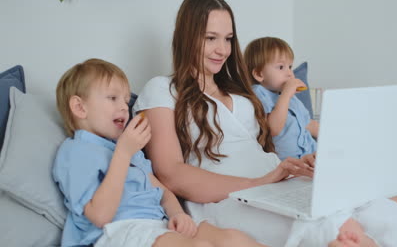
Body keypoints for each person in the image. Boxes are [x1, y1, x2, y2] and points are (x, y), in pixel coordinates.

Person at [133, 0, 397, 247]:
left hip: (276, 183)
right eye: (210, 38)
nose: (222, 49)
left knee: (379, 210)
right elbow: (171, 173)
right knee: (330, 227)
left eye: (228, 39)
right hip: (228, 200)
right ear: (185, 37)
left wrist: (298, 166)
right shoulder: (161, 90)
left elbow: (268, 147)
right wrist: (260, 182)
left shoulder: (240, 92)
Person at [53, 58, 268, 247]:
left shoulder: (127, 149)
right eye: (112, 98)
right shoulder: (78, 150)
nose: (123, 108)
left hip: (157, 226)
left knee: (232, 239)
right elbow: (100, 216)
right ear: (80, 107)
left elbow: (162, 192)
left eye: (126, 101)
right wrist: (123, 154)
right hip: (118, 232)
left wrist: (178, 215)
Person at [243, 36, 397, 211]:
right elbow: (273, 128)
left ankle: (381, 196)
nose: (289, 73)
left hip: (312, 158)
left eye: (290, 66)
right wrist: (287, 94)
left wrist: (340, 137)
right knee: (339, 183)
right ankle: (378, 202)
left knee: (353, 165)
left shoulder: (293, 100)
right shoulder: (259, 93)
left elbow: (309, 125)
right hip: (291, 168)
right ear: (259, 74)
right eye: (281, 67)